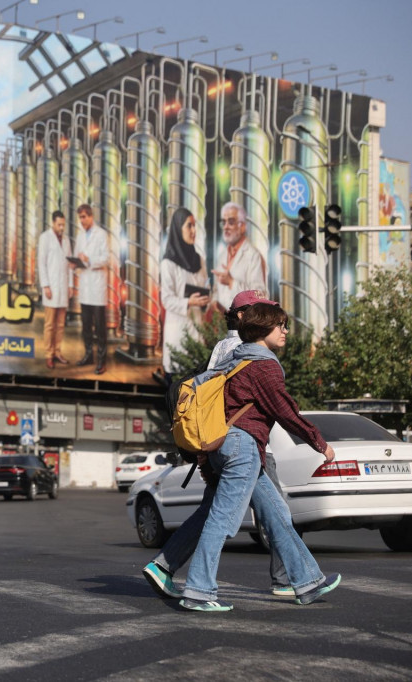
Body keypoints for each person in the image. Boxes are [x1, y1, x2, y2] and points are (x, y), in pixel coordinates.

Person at [178, 302, 340, 611]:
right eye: (280, 325)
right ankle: (198, 591)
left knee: (278, 516)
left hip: (232, 445)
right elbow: (285, 410)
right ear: (263, 329)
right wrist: (319, 442)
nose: (285, 331)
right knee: (222, 520)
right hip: (243, 447)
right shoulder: (262, 365)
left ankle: (307, 582)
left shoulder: (236, 360)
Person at [143, 289, 292, 602]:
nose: (267, 319)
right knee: (271, 515)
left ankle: (164, 565)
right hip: (247, 447)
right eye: (259, 311)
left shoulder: (224, 347)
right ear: (241, 316)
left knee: (216, 512)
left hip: (227, 445)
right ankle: (284, 579)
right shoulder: (244, 347)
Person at [161, 208, 210, 377]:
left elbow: (205, 288)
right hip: (178, 334)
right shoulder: (168, 263)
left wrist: (208, 298)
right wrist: (189, 302)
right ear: (177, 228)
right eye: (189, 226)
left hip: (197, 331)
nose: (193, 231)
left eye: (195, 226)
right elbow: (166, 299)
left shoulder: (200, 260)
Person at [73, 204, 110, 375]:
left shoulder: (101, 234)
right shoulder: (80, 236)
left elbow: (105, 258)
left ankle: (101, 361)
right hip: (85, 286)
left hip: (97, 287)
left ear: (91, 216)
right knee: (86, 326)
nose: (82, 221)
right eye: (80, 217)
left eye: (84, 217)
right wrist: (75, 263)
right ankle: (88, 355)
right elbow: (77, 256)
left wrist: (89, 260)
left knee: (100, 328)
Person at [36, 210, 74, 370]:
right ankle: (48, 354)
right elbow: (41, 263)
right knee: (50, 324)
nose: (61, 227)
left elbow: (70, 264)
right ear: (52, 223)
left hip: (63, 286)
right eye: (59, 224)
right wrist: (45, 285)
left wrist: (71, 285)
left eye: (63, 225)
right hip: (51, 286)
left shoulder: (66, 240)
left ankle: (58, 351)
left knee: (60, 324)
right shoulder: (45, 238)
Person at [213, 202, 267, 312]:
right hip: (221, 324)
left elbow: (260, 296)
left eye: (231, 222)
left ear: (242, 227)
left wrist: (232, 283)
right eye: (224, 222)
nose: (226, 227)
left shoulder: (253, 255)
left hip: (244, 324)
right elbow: (217, 289)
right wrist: (214, 301)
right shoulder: (223, 255)